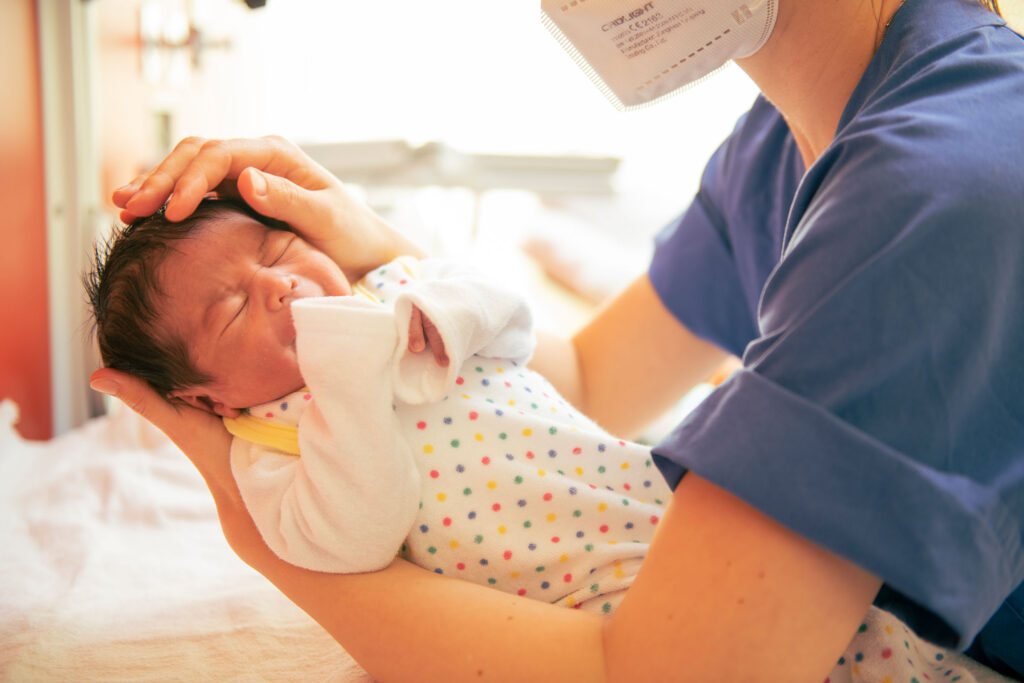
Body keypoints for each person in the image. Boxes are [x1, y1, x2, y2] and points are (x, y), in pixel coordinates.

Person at [90, 0, 1024, 679]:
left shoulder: (932, 189)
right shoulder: (786, 145)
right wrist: (381, 255)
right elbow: (588, 385)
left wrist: (272, 540)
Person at [87, 198, 673, 611]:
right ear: (207, 398)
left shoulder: (399, 286)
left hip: (641, 490)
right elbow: (355, 542)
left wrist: (449, 316)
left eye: (277, 249)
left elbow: (515, 327)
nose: (278, 283)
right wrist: (346, 380)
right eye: (232, 309)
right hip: (570, 591)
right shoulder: (264, 450)